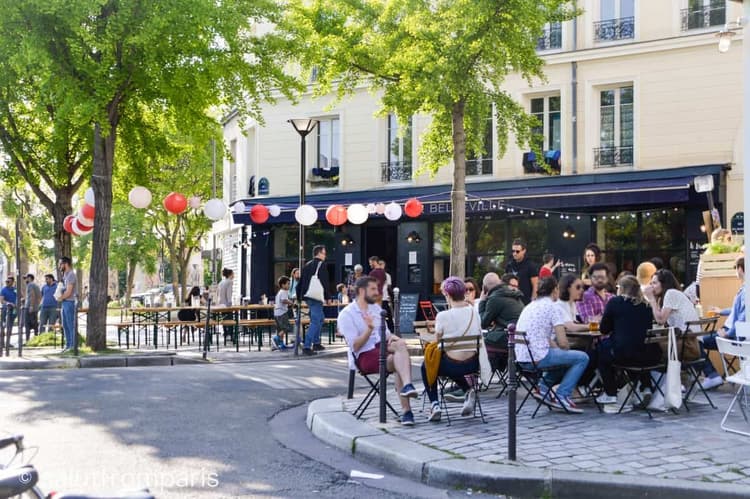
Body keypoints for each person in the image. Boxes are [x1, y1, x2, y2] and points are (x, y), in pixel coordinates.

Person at [338, 276, 418, 426]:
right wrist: (369, 329)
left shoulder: (375, 309)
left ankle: (408, 386)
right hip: (364, 356)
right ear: (362, 291)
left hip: (382, 347)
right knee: (397, 361)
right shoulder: (346, 315)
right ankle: (407, 411)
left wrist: (396, 340)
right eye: (373, 289)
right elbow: (355, 346)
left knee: (400, 345)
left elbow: (386, 335)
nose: (377, 292)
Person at [515, 276, 589, 413]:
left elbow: (546, 338)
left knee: (565, 359)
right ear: (555, 290)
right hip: (538, 358)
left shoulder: (530, 306)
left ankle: (543, 388)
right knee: (582, 357)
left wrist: (562, 352)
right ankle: (562, 394)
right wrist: (566, 349)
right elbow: (562, 342)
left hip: (522, 358)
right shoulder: (553, 307)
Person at [420, 277, 486, 422]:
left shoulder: (442, 316)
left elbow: (438, 340)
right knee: (455, 362)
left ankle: (435, 405)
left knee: (428, 365)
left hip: (451, 366)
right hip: (473, 364)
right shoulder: (474, 313)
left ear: (448, 295)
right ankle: (468, 391)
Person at [596, 275, 662, 410]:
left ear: (621, 288)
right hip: (648, 356)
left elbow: (604, 329)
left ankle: (611, 392)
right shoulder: (646, 305)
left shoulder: (615, 302)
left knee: (601, 353)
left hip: (624, 356)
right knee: (636, 345)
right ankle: (645, 387)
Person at [698, 256, 746, 390]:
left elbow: (743, 318)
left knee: (696, 342)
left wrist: (727, 333)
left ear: (740, 269)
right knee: (698, 341)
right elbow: (738, 311)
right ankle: (712, 375)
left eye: (736, 268)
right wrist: (721, 311)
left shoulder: (746, 290)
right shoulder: (744, 288)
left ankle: (712, 375)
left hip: (733, 336)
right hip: (732, 333)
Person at [643, 269, 701, 361]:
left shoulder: (671, 293)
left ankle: (657, 375)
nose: (651, 286)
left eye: (654, 283)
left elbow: (660, 320)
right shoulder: (671, 294)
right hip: (689, 341)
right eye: (651, 283)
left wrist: (651, 299)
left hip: (689, 344)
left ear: (664, 284)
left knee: (650, 349)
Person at [298, 245, 330, 355]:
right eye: (324, 253)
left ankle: (316, 342)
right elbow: (325, 282)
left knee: (320, 318)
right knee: (316, 321)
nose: (325, 255)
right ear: (319, 253)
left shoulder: (307, 265)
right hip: (316, 297)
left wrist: (299, 297)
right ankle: (307, 346)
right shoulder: (322, 265)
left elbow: (300, 282)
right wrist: (328, 297)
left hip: (308, 296)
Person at [505, 238, 538, 305]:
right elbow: (505, 284)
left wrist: (533, 303)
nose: (514, 253)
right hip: (511, 302)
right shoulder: (509, 265)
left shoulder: (530, 266)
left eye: (517, 251)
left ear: (524, 251)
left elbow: (535, 286)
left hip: (525, 303)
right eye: (513, 251)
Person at [57, 257, 77, 352]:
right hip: (65, 302)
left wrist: (60, 297)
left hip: (70, 302)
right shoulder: (65, 275)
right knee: (65, 324)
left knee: (70, 324)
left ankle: (73, 345)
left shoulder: (71, 275)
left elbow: (69, 292)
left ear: (66, 264)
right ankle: (68, 345)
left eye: (60, 264)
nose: (59, 266)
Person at [273, 276, 293, 350]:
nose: (289, 285)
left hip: (277, 313)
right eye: (288, 284)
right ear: (283, 285)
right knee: (286, 327)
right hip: (282, 313)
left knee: (280, 329)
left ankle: (281, 344)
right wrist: (291, 302)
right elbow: (283, 300)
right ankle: (276, 338)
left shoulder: (280, 292)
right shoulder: (284, 291)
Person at [217, 268, 235, 342]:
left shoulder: (221, 282)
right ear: (230, 274)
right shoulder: (229, 282)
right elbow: (229, 294)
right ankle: (230, 335)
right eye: (233, 273)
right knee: (231, 319)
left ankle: (225, 334)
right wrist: (230, 303)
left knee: (224, 319)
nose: (234, 275)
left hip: (221, 304)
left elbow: (218, 294)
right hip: (226, 304)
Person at [23, 274, 42, 341]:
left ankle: (27, 340)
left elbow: (32, 295)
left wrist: (31, 306)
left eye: (26, 278)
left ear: (30, 278)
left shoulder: (30, 285)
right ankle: (36, 339)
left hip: (29, 307)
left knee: (27, 324)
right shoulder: (35, 285)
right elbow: (39, 297)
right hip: (35, 307)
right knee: (34, 324)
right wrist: (36, 305)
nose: (25, 280)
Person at [0, 276, 17, 344]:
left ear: (12, 282)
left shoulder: (15, 289)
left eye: (9, 281)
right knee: (3, 325)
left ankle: (8, 343)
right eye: (6, 281)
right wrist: (9, 303)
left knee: (10, 325)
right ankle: (2, 342)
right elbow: (2, 300)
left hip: (13, 310)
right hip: (6, 310)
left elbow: (21, 296)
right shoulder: (3, 290)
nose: (7, 282)